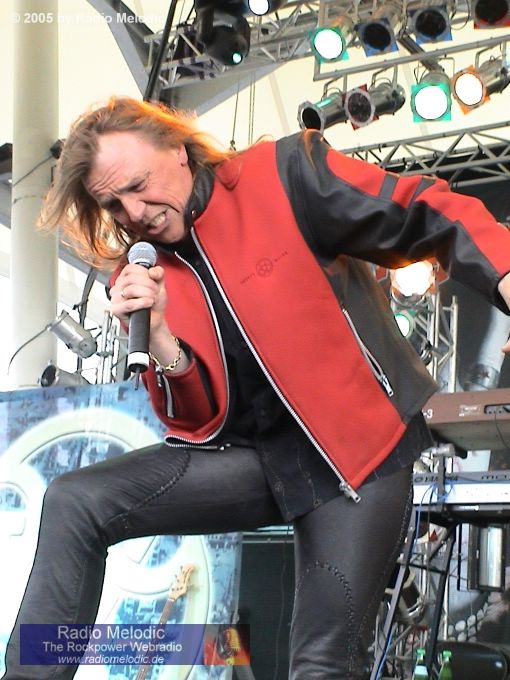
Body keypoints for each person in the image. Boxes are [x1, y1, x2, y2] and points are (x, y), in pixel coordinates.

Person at [4, 96, 510, 680]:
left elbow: (423, 209)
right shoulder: (140, 275)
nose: (134, 212)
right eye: (113, 203)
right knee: (75, 501)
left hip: (356, 455)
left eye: (139, 186)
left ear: (178, 149)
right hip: (250, 459)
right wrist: (161, 338)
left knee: (322, 665)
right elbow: (194, 420)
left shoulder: (285, 174)